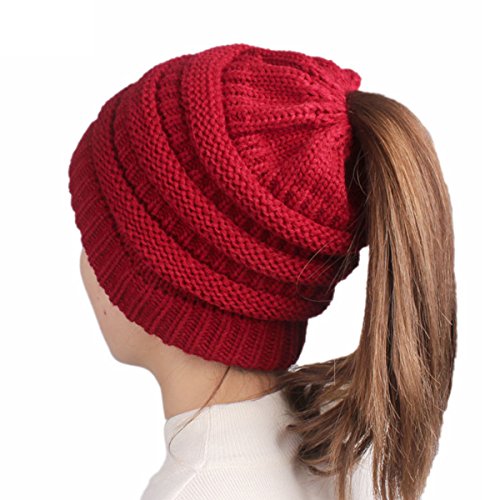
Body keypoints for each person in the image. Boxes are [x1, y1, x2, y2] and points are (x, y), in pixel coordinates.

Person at [68, 43, 457, 500]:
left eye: (93, 234)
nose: (84, 261)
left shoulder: (195, 492)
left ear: (155, 276)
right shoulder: (349, 466)